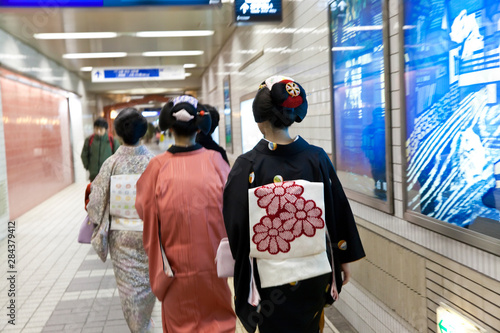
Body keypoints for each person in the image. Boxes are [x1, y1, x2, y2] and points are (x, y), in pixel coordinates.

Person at [223, 76, 366, 333]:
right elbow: (336, 211)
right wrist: (343, 257)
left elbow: (236, 226)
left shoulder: (248, 166)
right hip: (313, 273)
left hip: (269, 280)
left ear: (260, 119)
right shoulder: (316, 158)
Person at [136, 95, 236, 333]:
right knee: (218, 319)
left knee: (180, 321)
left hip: (174, 266)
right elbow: (232, 205)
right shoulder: (215, 161)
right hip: (212, 263)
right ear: (198, 126)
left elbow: (143, 209)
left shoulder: (157, 167)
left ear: (170, 127)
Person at [87, 109, 156, 332]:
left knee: (130, 295)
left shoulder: (111, 164)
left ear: (117, 135)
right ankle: (146, 323)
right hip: (151, 237)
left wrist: (95, 216)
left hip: (121, 239)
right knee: (149, 288)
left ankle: (140, 327)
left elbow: (95, 205)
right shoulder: (155, 163)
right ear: (143, 133)